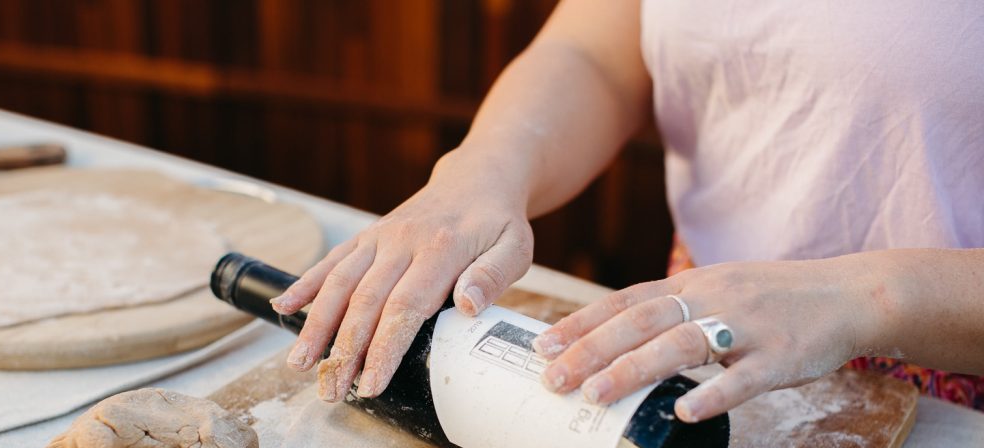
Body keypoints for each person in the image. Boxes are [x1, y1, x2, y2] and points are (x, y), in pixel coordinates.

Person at [270, 0, 984, 420]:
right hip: (702, 324)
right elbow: (598, 52)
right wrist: (486, 166)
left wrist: (866, 298)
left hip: (951, 382)